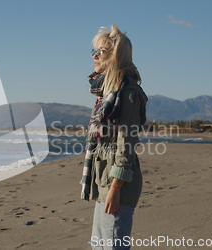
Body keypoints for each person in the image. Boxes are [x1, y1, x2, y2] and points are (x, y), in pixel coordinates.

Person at [80, 24, 148, 250]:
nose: (95, 56)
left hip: (117, 183)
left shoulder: (127, 94)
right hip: (104, 180)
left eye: (102, 51)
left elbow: (126, 145)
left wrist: (116, 188)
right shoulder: (108, 93)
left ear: (116, 56)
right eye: (94, 51)